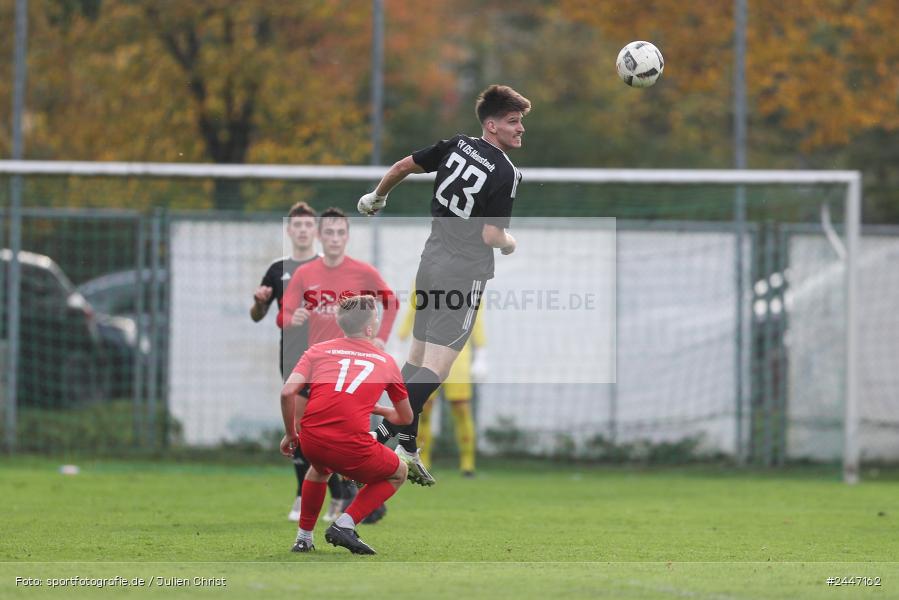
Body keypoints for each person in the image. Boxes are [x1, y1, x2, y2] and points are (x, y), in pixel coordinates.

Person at [358, 84, 530, 486]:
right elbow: (491, 235)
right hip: (463, 275)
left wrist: (376, 196)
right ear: (491, 125)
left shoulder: (456, 145)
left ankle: (407, 443)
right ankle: (376, 435)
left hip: (430, 265)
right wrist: (510, 243)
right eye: (513, 121)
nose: (520, 129)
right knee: (436, 370)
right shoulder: (506, 172)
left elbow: (403, 166)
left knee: (415, 360)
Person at [281, 206, 399, 521]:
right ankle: (336, 499)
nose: (335, 238)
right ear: (321, 236)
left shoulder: (362, 272)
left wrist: (382, 337)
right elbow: (284, 313)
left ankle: (350, 499)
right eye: (329, 232)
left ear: (347, 236)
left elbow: (391, 301)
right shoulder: (305, 273)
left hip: (354, 372)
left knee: (349, 439)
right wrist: (294, 317)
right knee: (309, 438)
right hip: (318, 368)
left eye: (340, 232)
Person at [280, 295, 413, 555]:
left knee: (318, 470)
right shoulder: (386, 362)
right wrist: (377, 407)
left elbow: (287, 393)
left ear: (341, 325)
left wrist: (290, 434)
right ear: (369, 328)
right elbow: (405, 418)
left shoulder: (317, 350)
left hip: (312, 440)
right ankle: (345, 524)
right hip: (350, 444)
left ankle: (303, 538)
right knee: (399, 472)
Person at [251, 202, 352, 521]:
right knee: (298, 429)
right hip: (292, 357)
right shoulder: (278, 269)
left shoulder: (330, 267)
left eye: (310, 226)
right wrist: (259, 303)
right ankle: (305, 494)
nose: (304, 231)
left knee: (324, 430)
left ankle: (338, 495)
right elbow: (258, 316)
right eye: (298, 226)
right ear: (290, 230)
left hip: (327, 359)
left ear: (317, 232)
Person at [396, 286, 487, 477]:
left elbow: (476, 319)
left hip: (458, 355)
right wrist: (399, 342)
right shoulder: (427, 272)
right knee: (424, 408)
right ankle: (422, 459)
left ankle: (467, 464)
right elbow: (413, 310)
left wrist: (481, 354)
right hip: (428, 352)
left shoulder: (472, 280)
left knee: (461, 408)